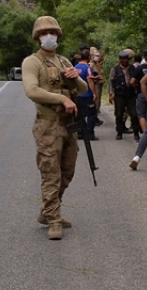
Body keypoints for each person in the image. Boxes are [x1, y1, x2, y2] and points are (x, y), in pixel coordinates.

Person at [21, 16, 88, 240]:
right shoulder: (32, 62)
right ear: (37, 37)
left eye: (52, 32)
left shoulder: (64, 61)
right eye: (44, 33)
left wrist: (74, 78)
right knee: (50, 173)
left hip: (68, 125)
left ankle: (48, 211)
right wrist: (61, 100)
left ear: (58, 35)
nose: (49, 36)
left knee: (67, 171)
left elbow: (83, 88)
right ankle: (54, 219)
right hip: (48, 124)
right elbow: (32, 91)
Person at [110, 49, 140, 140]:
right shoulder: (115, 69)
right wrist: (110, 94)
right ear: (120, 59)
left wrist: (135, 86)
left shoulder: (133, 68)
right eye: (123, 59)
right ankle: (119, 132)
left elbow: (137, 80)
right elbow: (111, 82)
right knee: (119, 114)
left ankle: (136, 133)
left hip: (131, 94)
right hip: (119, 94)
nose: (125, 60)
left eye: (127, 59)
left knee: (134, 114)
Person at [73, 52, 99, 141]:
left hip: (78, 95)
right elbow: (89, 80)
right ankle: (89, 134)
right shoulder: (87, 68)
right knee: (91, 115)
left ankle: (80, 132)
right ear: (88, 58)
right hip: (87, 94)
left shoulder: (75, 67)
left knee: (80, 115)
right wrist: (94, 93)